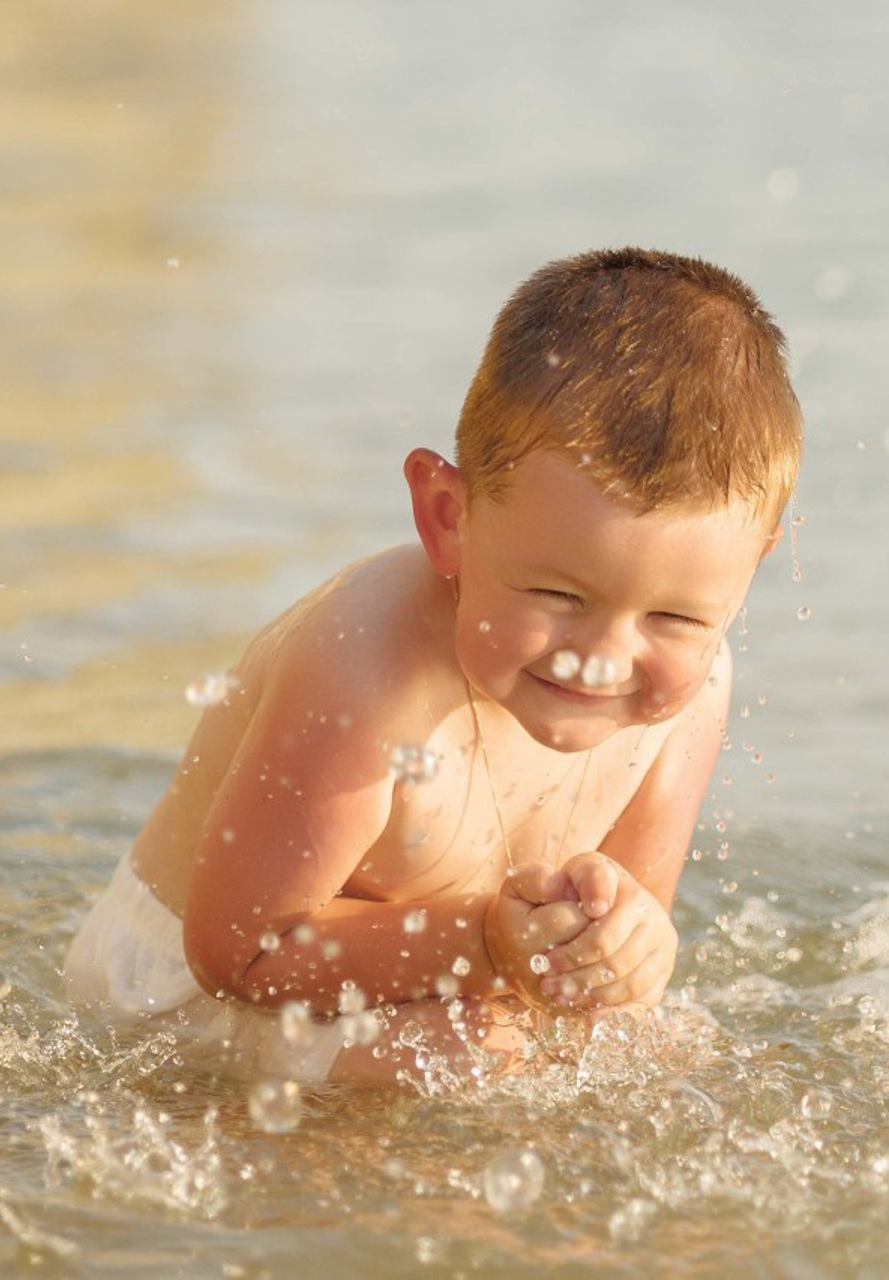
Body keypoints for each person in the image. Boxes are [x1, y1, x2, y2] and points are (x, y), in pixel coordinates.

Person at [65, 247, 803, 1088]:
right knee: (470, 1053)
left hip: (430, 971)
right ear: (448, 517)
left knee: (666, 1052)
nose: (603, 657)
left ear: (750, 572)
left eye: (675, 617)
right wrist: (486, 943)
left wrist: (623, 941)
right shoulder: (363, 673)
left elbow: (627, 919)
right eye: (557, 594)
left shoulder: (695, 688)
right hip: (179, 1004)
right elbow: (240, 956)